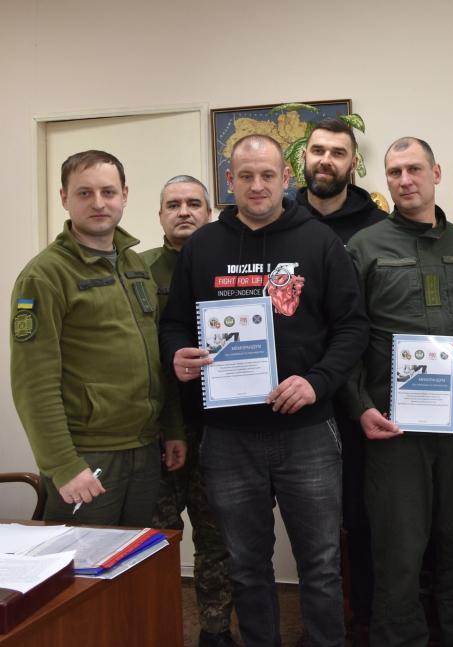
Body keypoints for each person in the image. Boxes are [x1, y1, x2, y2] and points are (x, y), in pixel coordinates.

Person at [159, 135, 369, 646]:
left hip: (307, 432)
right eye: (246, 176)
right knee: (246, 565)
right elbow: (174, 323)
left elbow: (352, 328)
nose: (257, 186)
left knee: (321, 564)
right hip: (228, 436)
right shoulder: (203, 246)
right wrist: (178, 353)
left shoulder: (319, 242)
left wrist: (317, 382)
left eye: (268, 175)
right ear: (230, 180)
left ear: (285, 179)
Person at [346, 136, 453, 647]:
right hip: (394, 426)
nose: (405, 180)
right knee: (399, 548)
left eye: (413, 169)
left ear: (437, 173)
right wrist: (360, 406)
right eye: (394, 172)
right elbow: (346, 336)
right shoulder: (363, 247)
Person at [10, 149, 182, 525]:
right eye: (84, 193)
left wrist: (172, 428)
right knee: (85, 560)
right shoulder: (45, 275)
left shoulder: (136, 264)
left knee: (137, 557)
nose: (99, 203)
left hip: (144, 449)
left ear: (124, 194)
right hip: (88, 456)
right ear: (64, 198)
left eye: (108, 192)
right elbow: (33, 382)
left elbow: (155, 356)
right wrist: (63, 465)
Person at [297, 117, 386, 644]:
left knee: (362, 514)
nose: (325, 160)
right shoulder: (280, 220)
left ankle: (366, 618)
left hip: (358, 398)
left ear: (353, 164)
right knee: (313, 522)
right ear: (303, 158)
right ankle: (321, 625)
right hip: (300, 397)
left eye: (337, 152)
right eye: (317, 151)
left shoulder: (376, 226)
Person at [142, 175, 235, 647]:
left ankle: (215, 631)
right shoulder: (138, 271)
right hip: (158, 429)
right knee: (157, 537)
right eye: (173, 204)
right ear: (160, 214)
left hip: (220, 425)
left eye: (194, 203)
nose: (184, 211)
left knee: (217, 537)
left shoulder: (230, 264)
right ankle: (158, 629)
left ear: (209, 212)